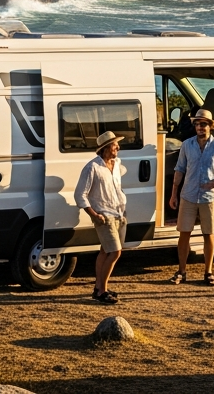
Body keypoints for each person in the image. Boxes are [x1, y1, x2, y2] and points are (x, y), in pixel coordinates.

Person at [167, 108, 214, 287]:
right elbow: (179, 169)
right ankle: (181, 271)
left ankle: (208, 272)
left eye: (203, 124)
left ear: (211, 126)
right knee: (184, 233)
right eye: (197, 124)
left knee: (209, 234)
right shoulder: (186, 145)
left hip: (209, 197)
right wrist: (173, 194)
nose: (199, 127)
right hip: (188, 195)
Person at [75, 130, 127, 304]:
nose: (118, 148)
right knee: (115, 252)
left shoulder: (117, 164)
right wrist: (94, 215)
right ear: (105, 148)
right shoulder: (92, 167)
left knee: (105, 251)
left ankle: (98, 287)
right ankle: (102, 291)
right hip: (104, 215)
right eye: (114, 145)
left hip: (119, 213)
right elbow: (80, 194)